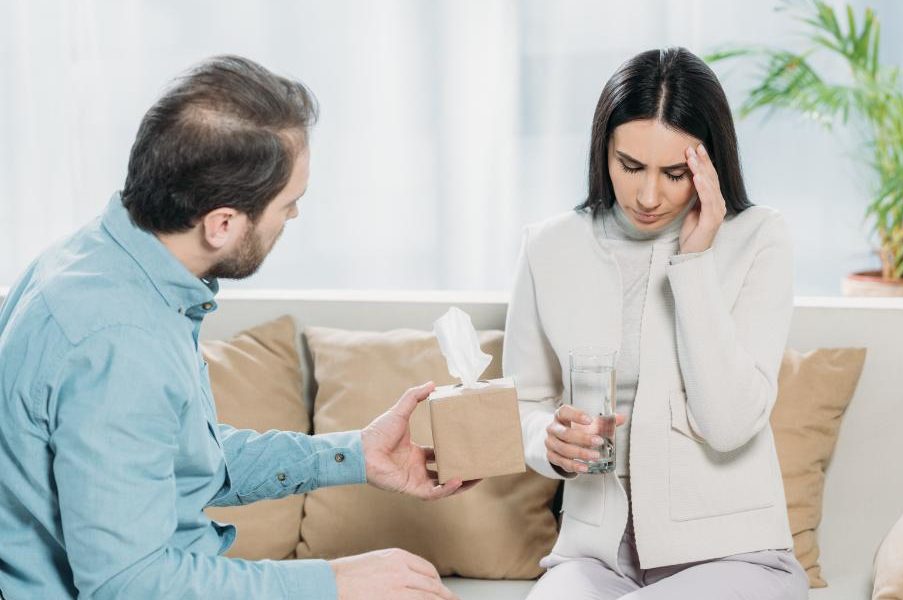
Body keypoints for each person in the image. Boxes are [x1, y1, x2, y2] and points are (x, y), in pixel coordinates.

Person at [0, 55, 474, 600]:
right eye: (288, 205)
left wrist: (353, 454)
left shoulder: (98, 260)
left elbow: (171, 456)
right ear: (222, 224)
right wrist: (337, 581)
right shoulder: (119, 339)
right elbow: (128, 584)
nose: (292, 219)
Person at [503, 47, 809, 599]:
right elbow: (525, 401)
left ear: (710, 162)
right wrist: (546, 441)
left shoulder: (759, 239)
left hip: (734, 556)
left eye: (674, 173)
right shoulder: (549, 248)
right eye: (630, 166)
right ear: (604, 151)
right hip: (596, 558)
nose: (648, 196)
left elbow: (729, 423)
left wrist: (694, 263)